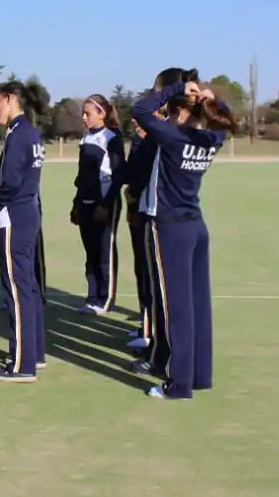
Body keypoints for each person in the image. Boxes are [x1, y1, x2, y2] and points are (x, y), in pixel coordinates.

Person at [129, 76, 235, 400]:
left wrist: (175, 91)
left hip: (171, 228)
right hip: (196, 226)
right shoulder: (211, 138)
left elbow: (140, 110)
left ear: (182, 112)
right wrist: (209, 96)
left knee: (177, 310)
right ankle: (200, 375)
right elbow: (223, 117)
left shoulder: (173, 137)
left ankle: (179, 385)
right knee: (198, 306)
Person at [122, 67, 188, 354]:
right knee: (149, 275)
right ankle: (151, 330)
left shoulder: (167, 133)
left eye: (159, 90)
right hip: (159, 211)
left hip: (158, 214)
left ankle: (156, 340)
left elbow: (144, 170)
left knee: (156, 280)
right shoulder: (166, 130)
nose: (155, 95)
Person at [0, 81, 47, 382]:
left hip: (14, 217)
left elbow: (7, 182)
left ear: (9, 100)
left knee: (17, 289)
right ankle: (34, 353)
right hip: (27, 214)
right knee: (28, 286)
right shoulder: (29, 133)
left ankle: (23, 364)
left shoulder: (20, 134)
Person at [71, 94, 127, 315]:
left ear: (102, 113)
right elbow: (82, 176)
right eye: (83, 114)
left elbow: (118, 175)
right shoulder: (86, 138)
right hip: (85, 203)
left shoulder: (112, 138)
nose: (84, 118)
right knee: (91, 253)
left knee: (105, 253)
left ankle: (105, 300)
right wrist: (77, 203)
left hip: (104, 204)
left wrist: (105, 204)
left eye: (88, 113)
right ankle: (92, 297)